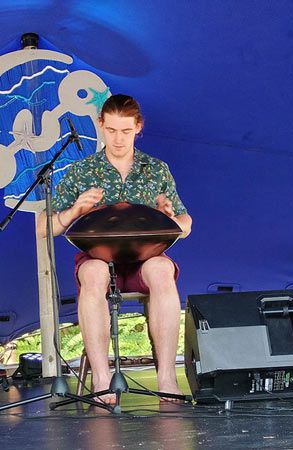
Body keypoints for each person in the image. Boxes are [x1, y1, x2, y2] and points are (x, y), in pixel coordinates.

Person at [37, 94, 192, 403]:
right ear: (100, 126)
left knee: (162, 269)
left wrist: (170, 217)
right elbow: (43, 226)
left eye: (125, 131)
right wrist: (74, 210)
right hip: (99, 256)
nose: (118, 139)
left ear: (138, 128)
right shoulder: (82, 170)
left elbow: (186, 224)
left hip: (144, 257)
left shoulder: (156, 169)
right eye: (111, 131)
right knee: (93, 273)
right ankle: (102, 379)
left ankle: (166, 378)